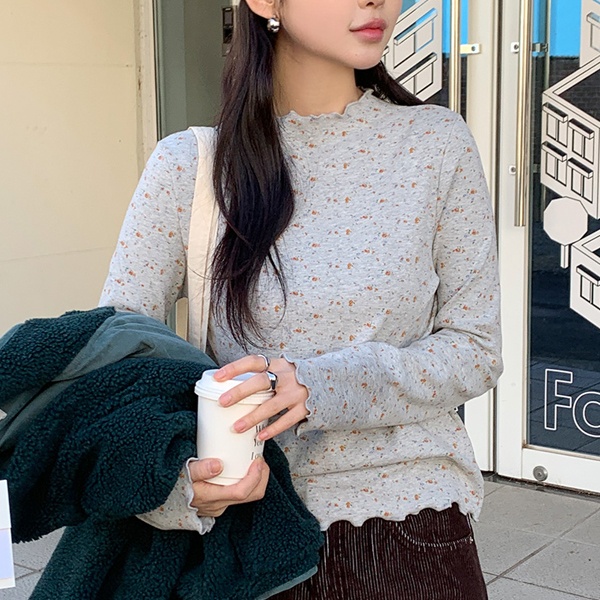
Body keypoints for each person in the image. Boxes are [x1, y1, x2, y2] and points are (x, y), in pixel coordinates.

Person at [99, 0, 503, 597]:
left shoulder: (436, 143)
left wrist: (319, 386)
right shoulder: (191, 166)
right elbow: (113, 369)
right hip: (243, 538)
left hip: (409, 528)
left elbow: (476, 349)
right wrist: (179, 488)